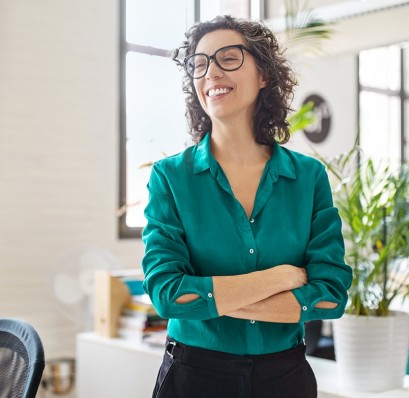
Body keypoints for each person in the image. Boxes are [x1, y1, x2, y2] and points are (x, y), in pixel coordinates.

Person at [141, 15, 352, 398]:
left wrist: (212, 301)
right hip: (194, 376)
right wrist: (282, 278)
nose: (211, 73)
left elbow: (331, 294)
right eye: (200, 64)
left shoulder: (308, 178)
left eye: (228, 58)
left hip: (284, 378)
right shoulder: (170, 177)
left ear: (264, 75)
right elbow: (168, 295)